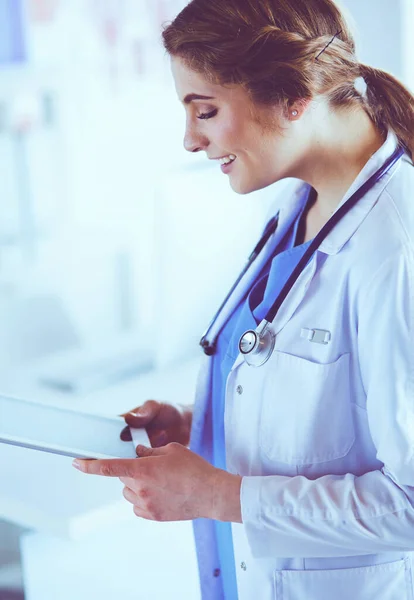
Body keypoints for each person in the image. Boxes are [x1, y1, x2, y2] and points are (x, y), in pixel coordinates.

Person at [72, 0, 414, 598]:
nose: (189, 140)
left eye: (205, 111)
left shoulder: (397, 250)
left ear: (295, 96)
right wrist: (204, 425)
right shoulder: (301, 206)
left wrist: (217, 494)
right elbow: (324, 411)